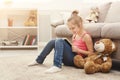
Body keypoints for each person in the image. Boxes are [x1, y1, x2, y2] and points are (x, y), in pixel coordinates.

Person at [28, 11, 94, 73]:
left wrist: (78, 50)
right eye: (70, 29)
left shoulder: (86, 36)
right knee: (53, 41)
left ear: (80, 25)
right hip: (70, 58)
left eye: (73, 28)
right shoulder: (75, 35)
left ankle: (57, 65)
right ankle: (39, 60)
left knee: (59, 41)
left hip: (78, 61)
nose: (71, 31)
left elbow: (92, 53)